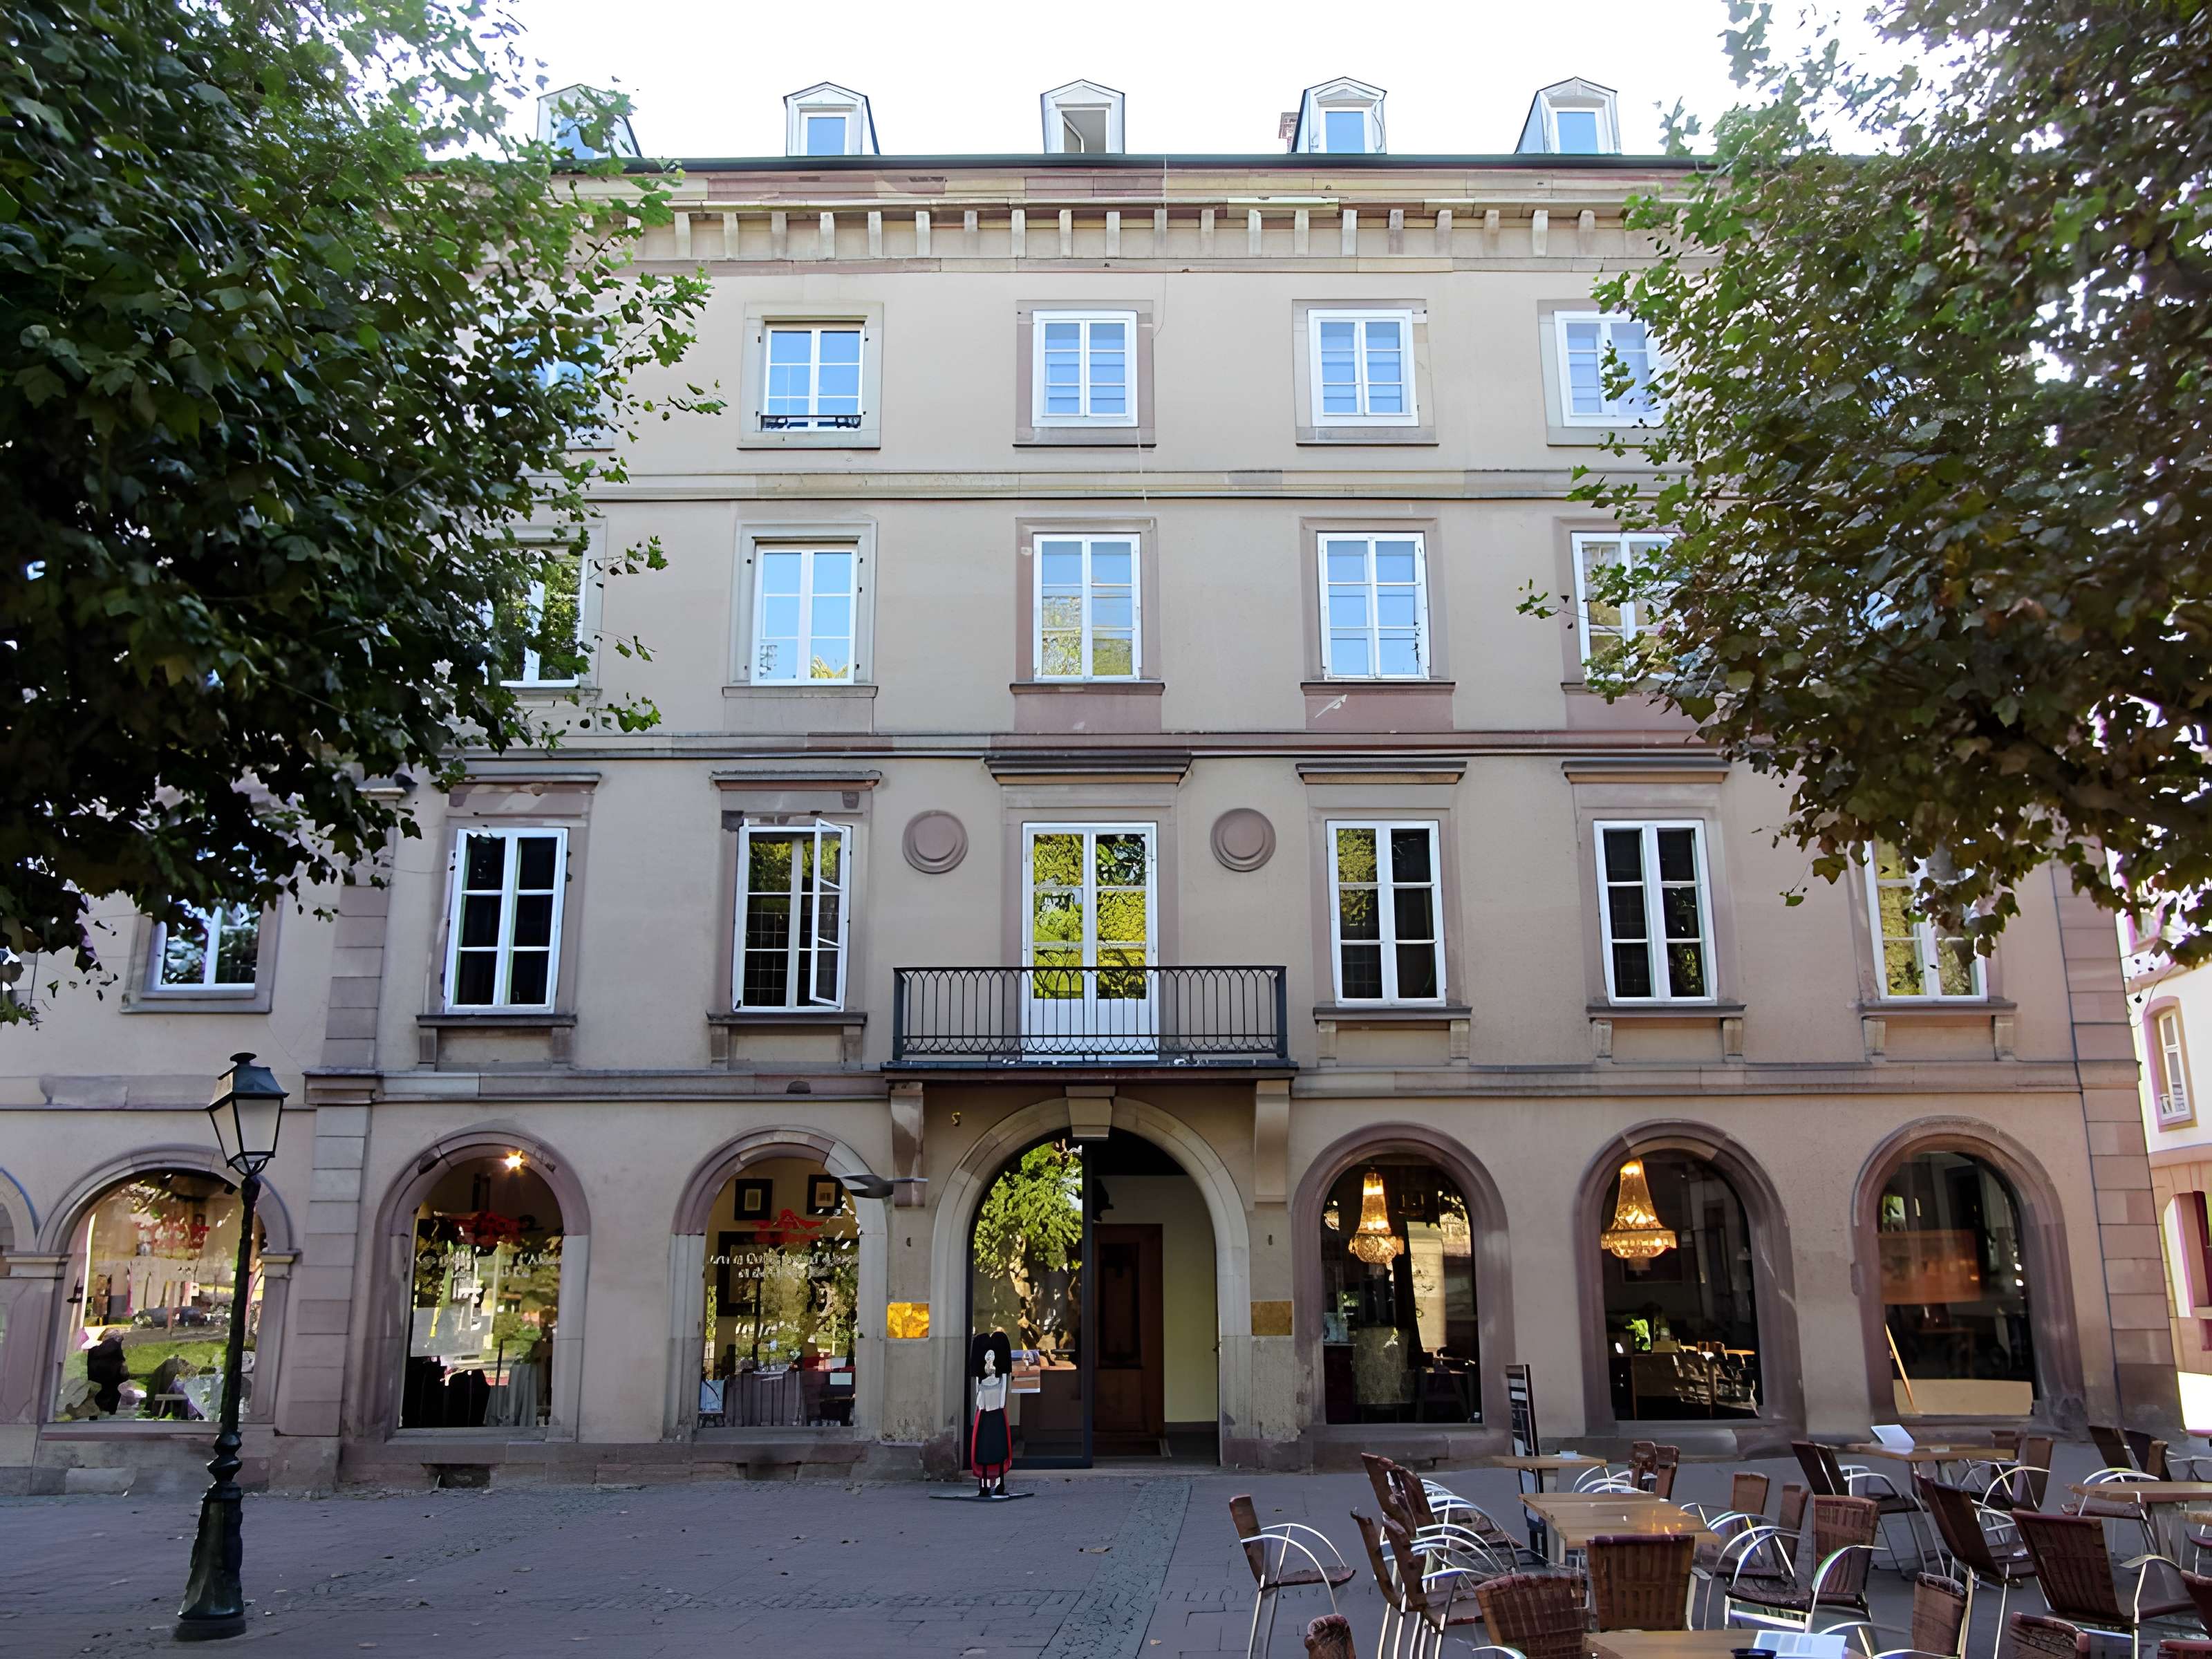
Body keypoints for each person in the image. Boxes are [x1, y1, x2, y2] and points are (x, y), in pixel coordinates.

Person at [968, 1330, 1013, 1497]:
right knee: (984, 1448)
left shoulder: (1000, 1376)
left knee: (998, 1446)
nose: (989, 1358)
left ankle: (999, 1481)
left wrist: (1000, 1405)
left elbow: (1003, 1390)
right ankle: (984, 1482)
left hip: (996, 1413)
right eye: (987, 1356)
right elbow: (978, 1392)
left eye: (992, 1355)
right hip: (986, 1413)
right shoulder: (982, 1377)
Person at [84, 1329, 129, 1416]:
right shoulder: (119, 1349)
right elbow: (123, 1372)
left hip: (96, 1392)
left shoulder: (93, 1351)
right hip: (112, 1392)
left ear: (105, 1338)